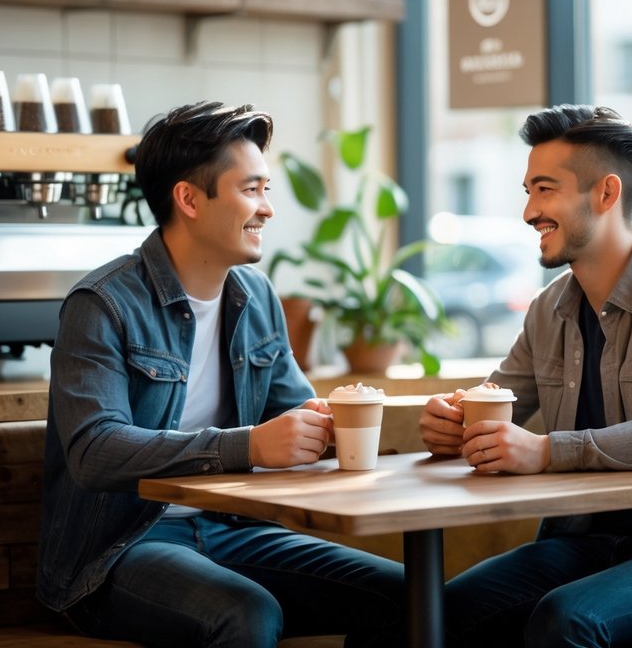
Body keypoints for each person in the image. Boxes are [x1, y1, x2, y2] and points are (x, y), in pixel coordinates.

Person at [37, 101, 404, 647]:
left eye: (267, 190)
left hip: (235, 527)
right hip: (122, 548)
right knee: (247, 614)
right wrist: (248, 446)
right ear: (188, 198)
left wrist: (327, 427)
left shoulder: (255, 297)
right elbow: (95, 452)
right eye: (251, 190)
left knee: (407, 595)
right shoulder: (103, 303)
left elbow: (292, 415)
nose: (268, 210)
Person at [419, 104, 632, 647]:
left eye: (545, 190)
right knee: (423, 619)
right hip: (581, 545)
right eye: (528, 191)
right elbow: (495, 399)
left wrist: (543, 451)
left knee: (566, 622)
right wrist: (453, 423)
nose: (529, 211)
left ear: (606, 194)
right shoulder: (547, 309)